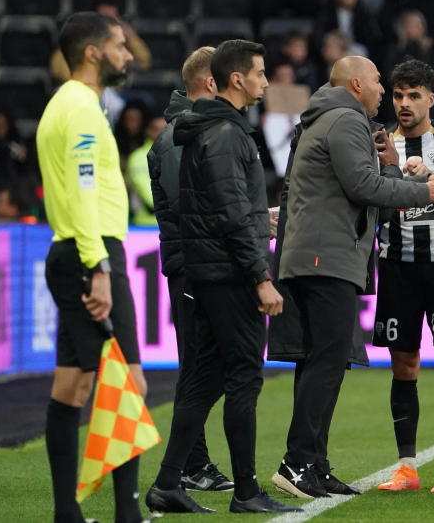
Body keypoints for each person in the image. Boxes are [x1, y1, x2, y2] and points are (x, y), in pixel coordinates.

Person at [271, 55, 434, 499]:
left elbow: (352, 188)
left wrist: (398, 172)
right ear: (357, 84)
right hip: (327, 256)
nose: (385, 92)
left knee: (323, 358)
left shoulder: (329, 118)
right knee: (327, 359)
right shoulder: (345, 119)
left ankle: (314, 463)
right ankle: (298, 462)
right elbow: (364, 187)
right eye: (381, 83)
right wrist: (424, 188)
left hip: (323, 254)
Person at [145, 40, 298, 515]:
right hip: (230, 274)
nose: (266, 81)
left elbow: (219, 207)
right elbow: (229, 212)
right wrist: (260, 276)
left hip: (204, 272)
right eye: (260, 73)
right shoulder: (228, 134)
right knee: (244, 378)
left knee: (202, 380)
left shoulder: (201, 130)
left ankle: (168, 483)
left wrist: (254, 220)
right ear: (236, 79)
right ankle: (247, 492)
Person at [36, 12, 147, 523]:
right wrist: (99, 266)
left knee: (72, 386)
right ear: (93, 52)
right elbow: (82, 193)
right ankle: (127, 515)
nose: (128, 55)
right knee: (130, 384)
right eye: (120, 46)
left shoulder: (68, 104)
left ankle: (67, 514)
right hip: (91, 252)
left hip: (74, 252)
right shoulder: (81, 108)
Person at [366, 59, 434, 491]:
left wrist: (431, 179)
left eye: (413, 95)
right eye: (398, 95)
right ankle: (407, 467)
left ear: (431, 99)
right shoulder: (378, 145)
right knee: (404, 364)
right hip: (397, 266)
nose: (404, 103)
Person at [146, 46, 235, 494]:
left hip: (204, 262)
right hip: (193, 265)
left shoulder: (197, 130)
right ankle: (190, 464)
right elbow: (193, 205)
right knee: (198, 367)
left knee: (208, 366)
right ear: (211, 82)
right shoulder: (178, 137)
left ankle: (188, 463)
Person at [313, 0, 382, 61]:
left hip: (354, 45)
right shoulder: (328, 9)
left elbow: (370, 34)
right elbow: (320, 32)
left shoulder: (362, 9)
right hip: (335, 43)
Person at [127, 115, 165, 225]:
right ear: (147, 131)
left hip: (176, 224)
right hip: (146, 224)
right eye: (156, 129)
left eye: (165, 129)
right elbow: (150, 197)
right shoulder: (138, 157)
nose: (161, 133)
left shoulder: (180, 153)